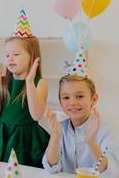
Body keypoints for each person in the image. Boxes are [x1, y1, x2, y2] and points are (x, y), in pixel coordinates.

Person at [0, 10, 50, 167]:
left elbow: (36, 115)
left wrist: (29, 83)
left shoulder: (39, 83)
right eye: (7, 55)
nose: (10, 58)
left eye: (16, 54)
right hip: (3, 137)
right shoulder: (2, 82)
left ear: (32, 56)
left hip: (25, 141)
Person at [43, 48, 119, 177]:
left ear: (93, 99)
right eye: (66, 98)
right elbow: (51, 168)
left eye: (79, 96)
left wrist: (91, 142)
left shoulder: (106, 131)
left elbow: (110, 172)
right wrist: (55, 137)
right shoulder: (60, 128)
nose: (72, 103)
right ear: (60, 102)